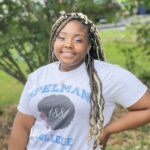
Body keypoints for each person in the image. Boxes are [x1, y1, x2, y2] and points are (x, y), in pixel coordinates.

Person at [8, 12, 150, 150]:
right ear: (53, 42)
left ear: (88, 47)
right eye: (61, 38)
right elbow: (22, 127)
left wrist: (106, 131)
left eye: (78, 40)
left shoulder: (108, 75)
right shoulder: (38, 76)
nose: (68, 44)